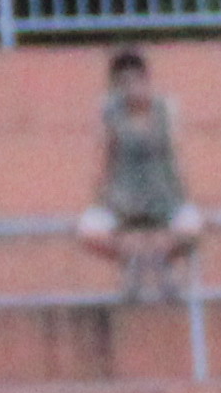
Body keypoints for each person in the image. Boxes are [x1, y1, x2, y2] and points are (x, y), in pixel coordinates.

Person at [72, 48, 204, 300]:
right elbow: (103, 158)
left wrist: (183, 194)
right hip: (123, 200)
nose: (131, 88)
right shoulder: (110, 113)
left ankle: (157, 259)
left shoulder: (165, 109)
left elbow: (177, 156)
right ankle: (134, 259)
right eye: (123, 82)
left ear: (146, 79)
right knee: (88, 230)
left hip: (164, 197)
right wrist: (99, 197)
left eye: (135, 80)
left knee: (194, 227)